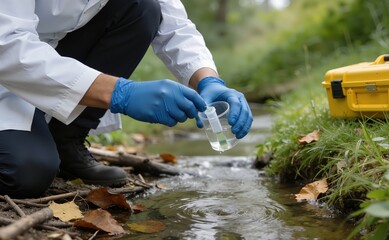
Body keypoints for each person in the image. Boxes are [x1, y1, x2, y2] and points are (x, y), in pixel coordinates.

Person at [0, 0, 253, 198]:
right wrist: (119, 92)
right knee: (24, 172)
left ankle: (65, 140)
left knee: (143, 6)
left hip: (49, 54)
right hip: (9, 57)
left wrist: (209, 80)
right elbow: (8, 45)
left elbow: (173, 23)